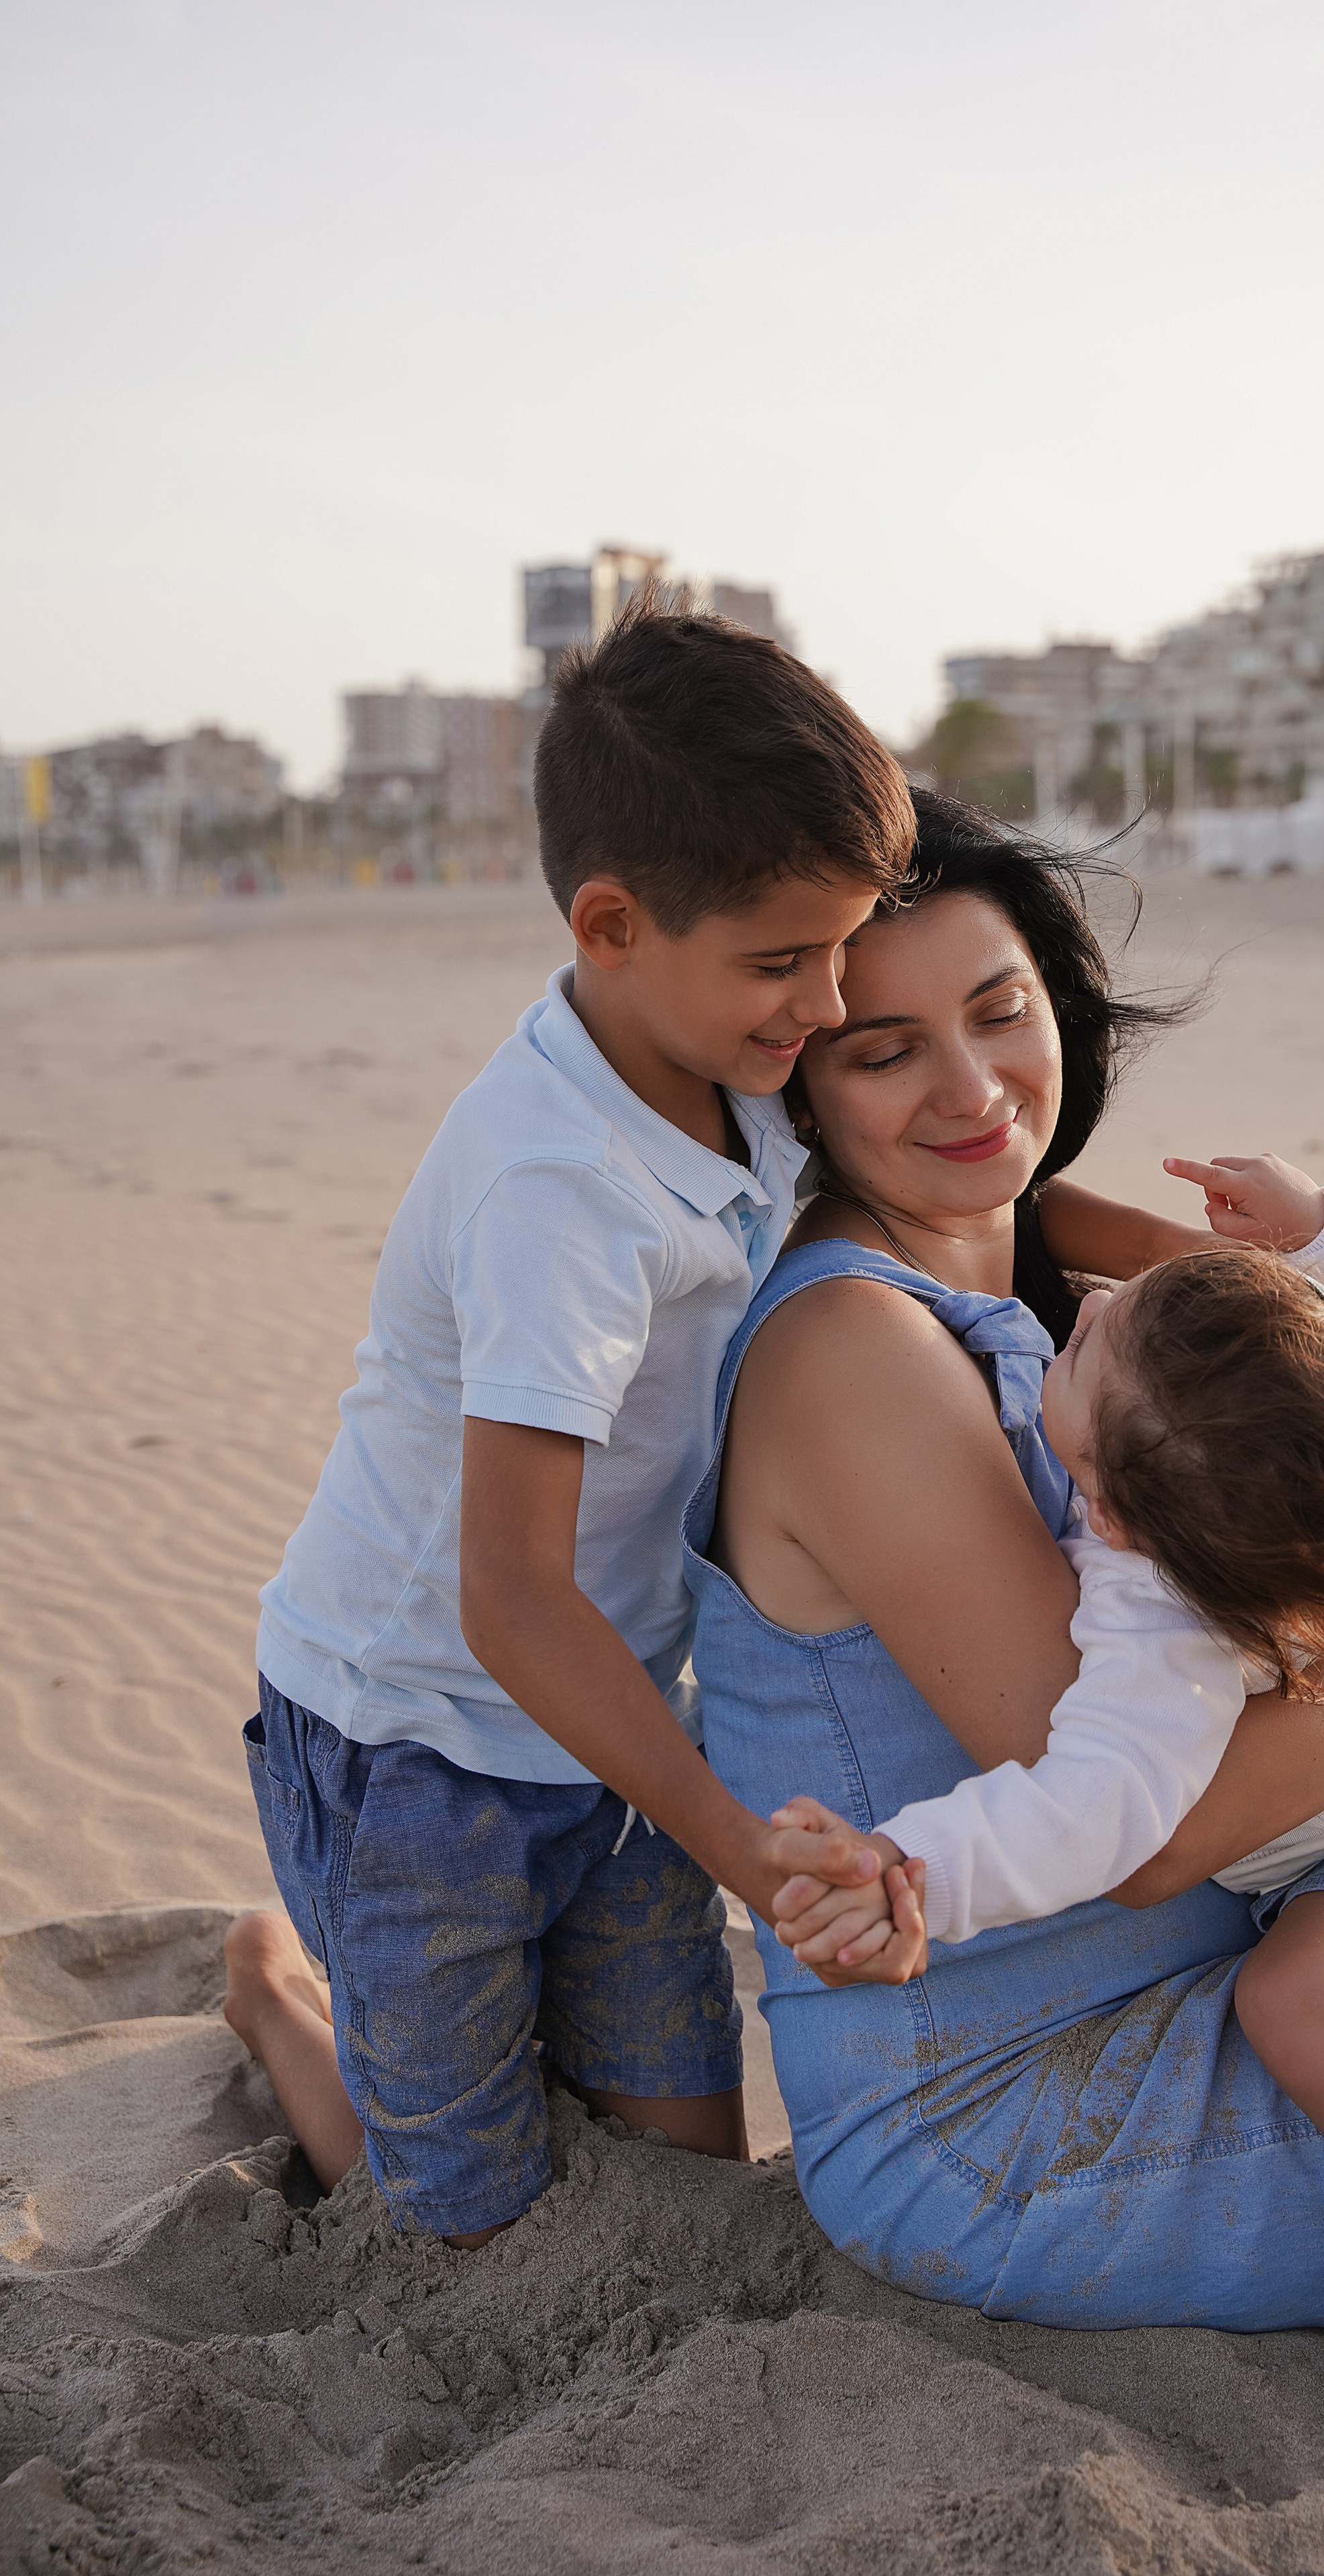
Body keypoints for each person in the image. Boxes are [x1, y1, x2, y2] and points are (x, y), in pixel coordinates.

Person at [681, 788, 1324, 2551]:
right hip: (1042, 2116)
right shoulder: (857, 1347)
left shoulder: (1044, 1262)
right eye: (883, 1050)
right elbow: (1145, 1835)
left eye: (1000, 1011)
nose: (970, 1090)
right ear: (797, 1079)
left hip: (1312, 1896)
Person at [774, 1163, 1324, 2542]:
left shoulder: (1150, 1604)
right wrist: (1320, 1237)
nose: (1097, 1301)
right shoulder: (1222, 1470)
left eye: (1094, 1340)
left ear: (1102, 1510)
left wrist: (907, 1870)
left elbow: (1097, 1808)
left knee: (1301, 2003)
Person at [222, 601, 912, 2244]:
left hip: (605, 1724)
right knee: (460, 2227)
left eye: (841, 950)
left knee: (682, 2163)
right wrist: (738, 1850)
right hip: (412, 1745)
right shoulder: (556, 1189)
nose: (825, 1004)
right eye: (781, 962)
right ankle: (273, 1996)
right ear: (610, 924)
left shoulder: (731, 1064)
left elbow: (898, 1175)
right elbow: (511, 1598)